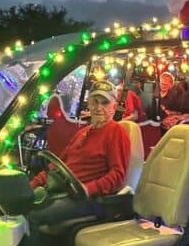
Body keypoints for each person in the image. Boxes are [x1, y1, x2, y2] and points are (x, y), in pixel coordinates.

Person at [28, 80, 130, 225]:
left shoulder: (116, 131)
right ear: (88, 104)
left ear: (114, 106)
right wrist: (32, 185)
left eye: (105, 102)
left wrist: (88, 189)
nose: (98, 108)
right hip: (64, 192)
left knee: (31, 215)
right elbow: (56, 166)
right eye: (95, 102)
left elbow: (117, 175)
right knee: (20, 205)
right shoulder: (82, 133)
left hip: (89, 199)